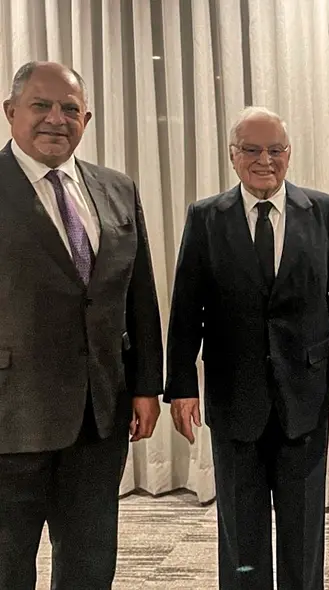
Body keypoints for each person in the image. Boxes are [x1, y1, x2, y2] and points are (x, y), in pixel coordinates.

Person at [164, 106, 329, 590]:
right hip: (235, 395)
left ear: (289, 154)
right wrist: (181, 386)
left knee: (302, 525)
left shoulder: (324, 211)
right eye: (251, 150)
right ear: (233, 156)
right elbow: (187, 307)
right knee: (241, 525)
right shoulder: (206, 217)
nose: (264, 160)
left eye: (275, 150)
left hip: (305, 390)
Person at [0, 61, 163, 589]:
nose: (56, 118)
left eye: (70, 108)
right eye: (41, 106)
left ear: (86, 119)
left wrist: (145, 386)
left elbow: (139, 296)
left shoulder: (116, 189)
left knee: (91, 563)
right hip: (10, 414)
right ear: (10, 113)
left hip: (101, 416)